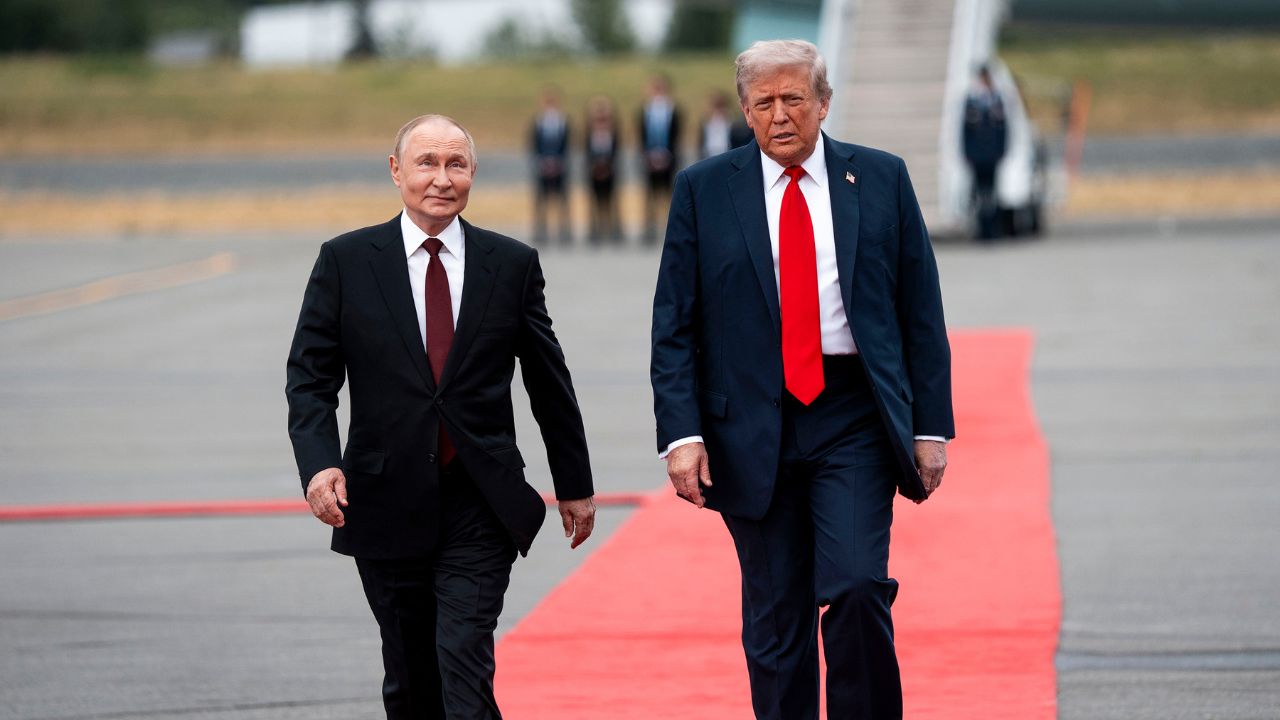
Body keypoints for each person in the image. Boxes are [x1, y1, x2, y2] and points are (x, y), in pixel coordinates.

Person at [650, 40, 954, 719]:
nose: (780, 115)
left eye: (794, 98)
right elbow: (674, 323)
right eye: (764, 103)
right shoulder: (705, 190)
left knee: (854, 586)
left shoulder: (880, 178)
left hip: (852, 416)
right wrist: (682, 435)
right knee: (777, 617)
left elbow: (920, 313)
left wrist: (930, 430)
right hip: (747, 425)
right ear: (744, 110)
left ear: (823, 102)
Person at [287, 114, 596, 720]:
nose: (441, 178)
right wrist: (320, 463)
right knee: (409, 676)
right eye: (426, 162)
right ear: (396, 171)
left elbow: (548, 382)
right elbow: (310, 378)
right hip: (382, 497)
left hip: (479, 499)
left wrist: (575, 486)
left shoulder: (510, 265)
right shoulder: (347, 261)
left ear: (473, 173)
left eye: (456, 164)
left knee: (463, 659)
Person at [962, 64, 1008, 240]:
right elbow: (965, 131)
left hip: (992, 155)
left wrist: (1001, 150)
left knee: (991, 193)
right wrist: (966, 152)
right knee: (979, 193)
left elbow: (1002, 130)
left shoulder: (996, 100)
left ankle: (992, 229)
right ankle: (981, 228)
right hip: (977, 155)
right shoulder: (972, 100)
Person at [638, 73, 682, 244]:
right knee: (649, 193)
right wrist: (649, 154)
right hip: (649, 158)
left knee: (669, 194)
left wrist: (666, 154)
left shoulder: (672, 110)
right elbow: (642, 134)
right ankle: (649, 228)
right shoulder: (645, 110)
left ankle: (670, 229)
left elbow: (676, 134)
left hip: (668, 157)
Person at [530, 85, 572, 245]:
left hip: (560, 166)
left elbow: (566, 144)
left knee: (562, 200)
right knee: (541, 201)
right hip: (543, 166)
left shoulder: (563, 121)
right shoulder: (538, 121)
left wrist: (559, 161)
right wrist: (542, 161)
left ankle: (564, 230)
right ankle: (541, 230)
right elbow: (534, 143)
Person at [584, 95, 622, 244]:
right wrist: (595, 167)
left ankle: (614, 229)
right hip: (594, 172)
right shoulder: (590, 134)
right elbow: (588, 153)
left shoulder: (612, 133)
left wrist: (607, 166)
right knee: (594, 200)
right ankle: (595, 229)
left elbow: (615, 152)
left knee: (611, 200)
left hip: (609, 171)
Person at [697, 89, 754, 160]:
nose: (718, 110)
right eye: (716, 106)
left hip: (727, 155)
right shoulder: (705, 122)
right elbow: (701, 142)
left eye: (721, 106)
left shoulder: (733, 123)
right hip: (709, 155)